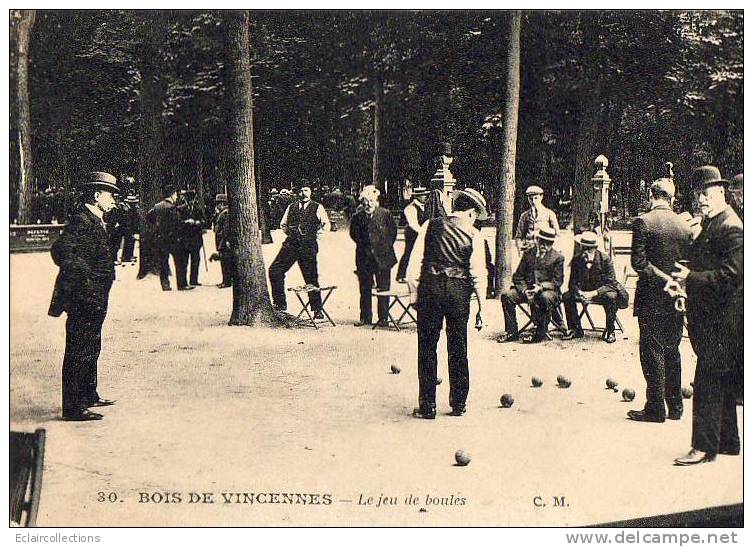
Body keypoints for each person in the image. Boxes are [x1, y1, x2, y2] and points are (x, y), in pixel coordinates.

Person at [668, 166, 743, 465]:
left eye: (705, 193)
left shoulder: (731, 227)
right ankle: (727, 442)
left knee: (708, 383)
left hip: (724, 322)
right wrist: (684, 278)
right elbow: (705, 262)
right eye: (698, 194)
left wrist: (691, 279)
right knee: (721, 382)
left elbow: (733, 275)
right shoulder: (714, 222)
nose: (700, 199)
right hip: (715, 319)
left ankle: (702, 447)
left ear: (720, 193)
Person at [406, 188, 487, 419]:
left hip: (430, 290)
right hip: (458, 293)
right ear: (471, 213)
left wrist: (415, 297)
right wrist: (482, 308)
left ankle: (427, 406)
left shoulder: (429, 226)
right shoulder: (474, 235)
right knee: (458, 347)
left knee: (427, 347)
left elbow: (414, 267)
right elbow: (478, 275)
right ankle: (459, 403)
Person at [48, 172, 119, 421]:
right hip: (85, 299)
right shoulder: (82, 220)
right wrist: (86, 284)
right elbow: (61, 251)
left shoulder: (94, 219)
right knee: (80, 349)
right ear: (97, 195)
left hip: (95, 298)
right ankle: (73, 407)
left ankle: (88, 394)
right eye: (111, 194)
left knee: (91, 345)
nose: (114, 200)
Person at [627, 177, 691, 423]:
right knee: (672, 349)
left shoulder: (643, 222)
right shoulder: (684, 226)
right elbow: (687, 265)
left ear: (651, 197)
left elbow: (639, 263)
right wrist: (676, 285)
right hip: (676, 298)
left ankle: (655, 408)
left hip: (651, 298)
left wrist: (663, 281)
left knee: (652, 350)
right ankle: (675, 407)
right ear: (671, 198)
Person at [268, 186, 330, 317]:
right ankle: (280, 304)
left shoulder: (317, 207)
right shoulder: (291, 207)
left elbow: (326, 225)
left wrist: (313, 237)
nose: (303, 194)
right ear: (297, 193)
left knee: (311, 277)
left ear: (311, 192)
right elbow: (283, 224)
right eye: (301, 191)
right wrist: (292, 234)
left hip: (308, 246)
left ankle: (317, 309)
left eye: (306, 190)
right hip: (291, 245)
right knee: (275, 270)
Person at [498, 227, 564, 344]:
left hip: (548, 291)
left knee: (544, 297)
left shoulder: (557, 257)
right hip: (527, 290)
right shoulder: (528, 254)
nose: (545, 245)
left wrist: (541, 287)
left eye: (549, 243)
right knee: (507, 295)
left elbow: (557, 282)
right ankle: (512, 331)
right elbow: (518, 276)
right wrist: (524, 291)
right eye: (542, 241)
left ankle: (540, 332)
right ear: (537, 240)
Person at [562, 231, 628, 343]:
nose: (584, 252)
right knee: (567, 296)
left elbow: (611, 283)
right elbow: (572, 283)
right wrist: (579, 293)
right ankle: (575, 328)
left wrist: (593, 293)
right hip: (584, 292)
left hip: (601, 292)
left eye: (588, 249)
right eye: (583, 248)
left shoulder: (605, 259)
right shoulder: (577, 259)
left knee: (611, 297)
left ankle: (610, 330)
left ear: (594, 248)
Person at [349, 185, 398, 327]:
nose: (368, 204)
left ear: (376, 201)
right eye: (365, 201)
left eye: (371, 200)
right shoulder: (357, 217)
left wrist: (383, 246)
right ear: (361, 202)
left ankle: (383, 319)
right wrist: (365, 246)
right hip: (364, 258)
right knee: (365, 288)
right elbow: (354, 234)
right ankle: (365, 317)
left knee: (384, 288)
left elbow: (393, 233)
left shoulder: (385, 214)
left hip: (383, 257)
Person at [148, 185, 193, 291]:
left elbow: (149, 216)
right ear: (172, 195)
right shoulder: (171, 208)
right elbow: (177, 224)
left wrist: (157, 227)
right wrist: (187, 223)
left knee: (163, 262)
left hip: (160, 238)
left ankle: (165, 285)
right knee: (180, 262)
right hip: (173, 239)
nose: (177, 197)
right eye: (176, 195)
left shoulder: (157, 206)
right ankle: (182, 284)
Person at [396, 186, 430, 283]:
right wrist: (422, 232)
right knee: (408, 252)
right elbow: (413, 223)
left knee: (419, 254)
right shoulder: (411, 208)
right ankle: (400, 275)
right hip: (412, 233)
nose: (425, 197)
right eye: (423, 195)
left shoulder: (423, 207)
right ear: (418, 197)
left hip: (419, 233)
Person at [515, 185, 560, 252]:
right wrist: (520, 251)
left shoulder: (549, 214)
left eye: (536, 198)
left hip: (544, 250)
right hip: (528, 250)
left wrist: (553, 250)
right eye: (530, 199)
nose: (533, 201)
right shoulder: (524, 216)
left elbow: (557, 234)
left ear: (541, 197)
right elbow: (519, 236)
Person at [211, 194, 233, 288]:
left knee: (225, 262)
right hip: (221, 240)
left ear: (222, 203)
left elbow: (226, 228)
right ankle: (225, 280)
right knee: (223, 262)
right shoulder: (221, 213)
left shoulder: (225, 213)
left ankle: (226, 282)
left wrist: (226, 240)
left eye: (218, 204)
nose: (217, 206)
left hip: (223, 241)